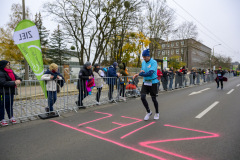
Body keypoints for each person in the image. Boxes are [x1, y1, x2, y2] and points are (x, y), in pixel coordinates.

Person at [133, 49, 159, 120]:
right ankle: (148, 112)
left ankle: (157, 113)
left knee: (153, 99)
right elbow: (142, 71)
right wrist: (138, 74)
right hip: (145, 82)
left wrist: (142, 74)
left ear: (148, 56)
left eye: (145, 57)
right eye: (143, 57)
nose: (144, 58)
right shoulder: (143, 63)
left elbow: (150, 73)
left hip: (153, 82)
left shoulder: (154, 62)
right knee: (142, 97)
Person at [0, 60, 22, 126]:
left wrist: (18, 80)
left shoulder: (11, 71)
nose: (9, 66)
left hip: (10, 91)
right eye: (7, 65)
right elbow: (3, 82)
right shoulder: (1, 72)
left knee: (10, 105)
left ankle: (11, 117)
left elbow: (17, 77)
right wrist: (14, 82)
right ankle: (2, 119)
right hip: (3, 92)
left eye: (9, 64)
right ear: (3, 65)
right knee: (2, 106)